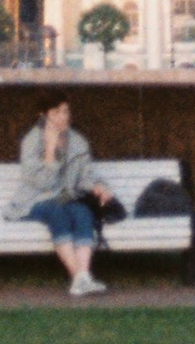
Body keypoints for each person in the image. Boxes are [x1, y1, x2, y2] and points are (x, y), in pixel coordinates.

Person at [9, 96, 117, 295]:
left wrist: (98, 187)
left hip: (66, 198)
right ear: (43, 116)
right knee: (57, 211)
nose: (62, 117)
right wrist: (50, 150)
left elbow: (86, 176)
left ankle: (83, 276)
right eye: (56, 112)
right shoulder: (32, 141)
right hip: (34, 201)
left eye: (65, 111)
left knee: (82, 212)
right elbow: (43, 184)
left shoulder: (77, 141)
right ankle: (79, 277)